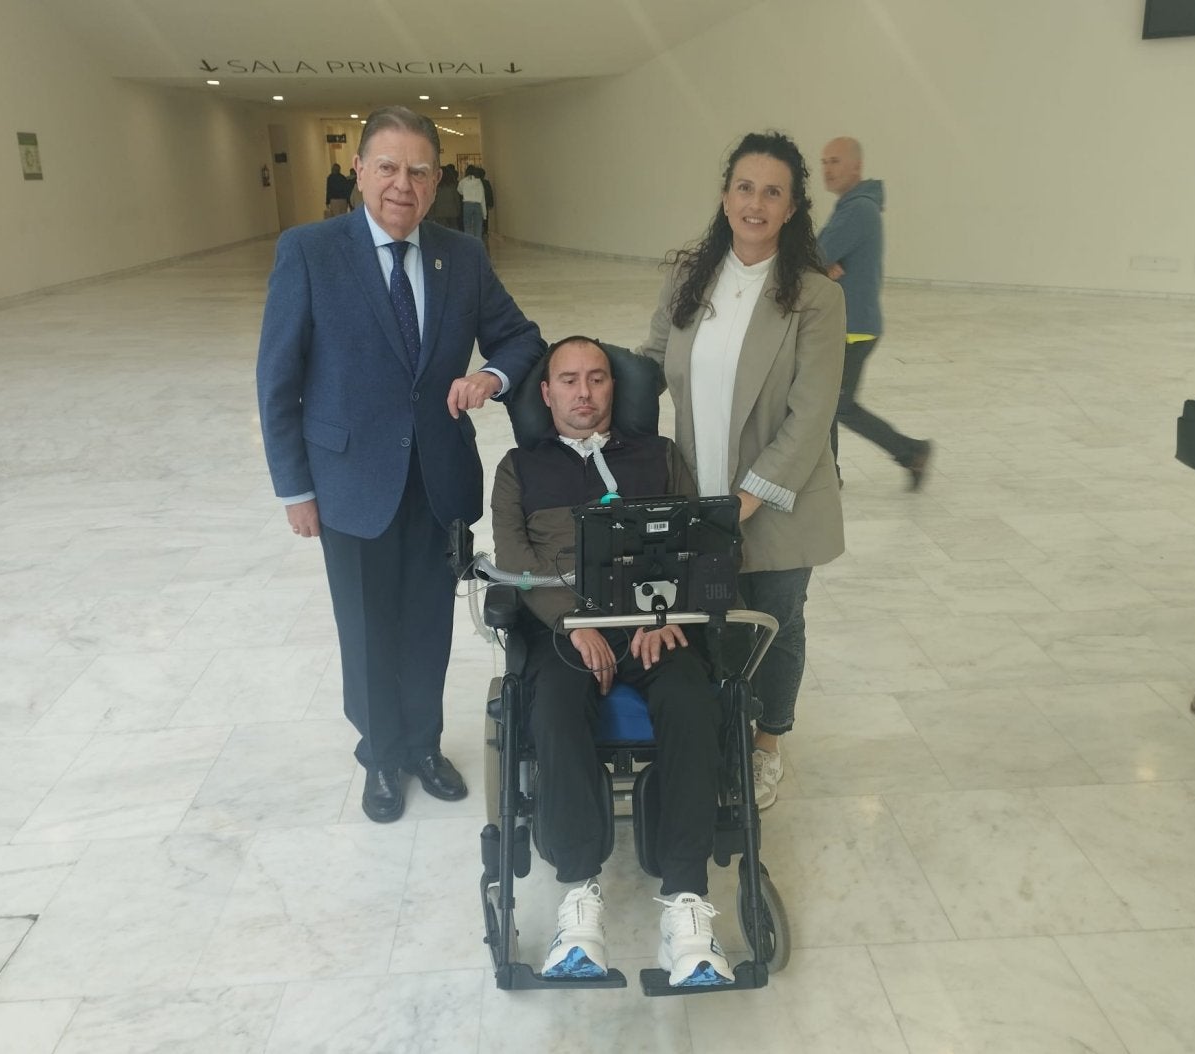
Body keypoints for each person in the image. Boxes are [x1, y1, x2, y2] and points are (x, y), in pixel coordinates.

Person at [257, 106, 544, 822]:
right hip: (350, 483)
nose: (402, 185)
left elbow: (520, 339)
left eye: (419, 170)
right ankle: (380, 754)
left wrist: (492, 379)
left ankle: (422, 744)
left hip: (438, 482)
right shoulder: (310, 252)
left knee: (426, 627)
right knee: (365, 628)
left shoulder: (462, 257)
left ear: (438, 179)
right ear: (358, 171)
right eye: (386, 167)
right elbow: (278, 380)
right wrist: (295, 487)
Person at [491, 335, 735, 987]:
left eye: (597, 379)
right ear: (545, 395)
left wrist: (668, 615)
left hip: (657, 627)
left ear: (614, 390)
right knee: (556, 708)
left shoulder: (658, 456)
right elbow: (515, 561)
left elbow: (700, 541)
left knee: (691, 701)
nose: (584, 392)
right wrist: (576, 624)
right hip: (563, 631)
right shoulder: (520, 467)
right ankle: (578, 902)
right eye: (568, 380)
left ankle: (686, 906)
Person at [637, 131, 845, 810]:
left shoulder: (814, 296)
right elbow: (652, 362)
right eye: (745, 187)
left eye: (773, 192)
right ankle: (719, 729)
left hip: (779, 501)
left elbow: (812, 415)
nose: (756, 203)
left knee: (776, 622)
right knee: (709, 621)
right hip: (700, 496)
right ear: (726, 197)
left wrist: (746, 502)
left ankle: (767, 743)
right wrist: (582, 383)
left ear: (792, 209)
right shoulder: (690, 277)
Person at [817, 137, 931, 489]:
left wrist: (822, 263)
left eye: (835, 161)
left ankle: (912, 452)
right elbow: (819, 256)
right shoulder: (852, 207)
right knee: (829, 402)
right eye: (823, 162)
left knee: (838, 404)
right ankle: (829, 475)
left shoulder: (858, 210)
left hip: (855, 327)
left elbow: (814, 253)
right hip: (851, 323)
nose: (827, 169)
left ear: (856, 167)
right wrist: (823, 262)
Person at [458, 165, 487, 242]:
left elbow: (459, 190)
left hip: (467, 205)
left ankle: (469, 243)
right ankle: (478, 243)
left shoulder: (463, 181)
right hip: (477, 205)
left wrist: (466, 193)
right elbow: (482, 198)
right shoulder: (479, 182)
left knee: (467, 226)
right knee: (478, 226)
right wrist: (484, 214)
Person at [432, 163, 460, 229]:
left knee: (441, 232)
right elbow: (457, 200)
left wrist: (432, 214)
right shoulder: (453, 186)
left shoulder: (436, 187)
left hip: (439, 213)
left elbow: (433, 201)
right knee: (453, 231)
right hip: (453, 212)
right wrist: (458, 211)